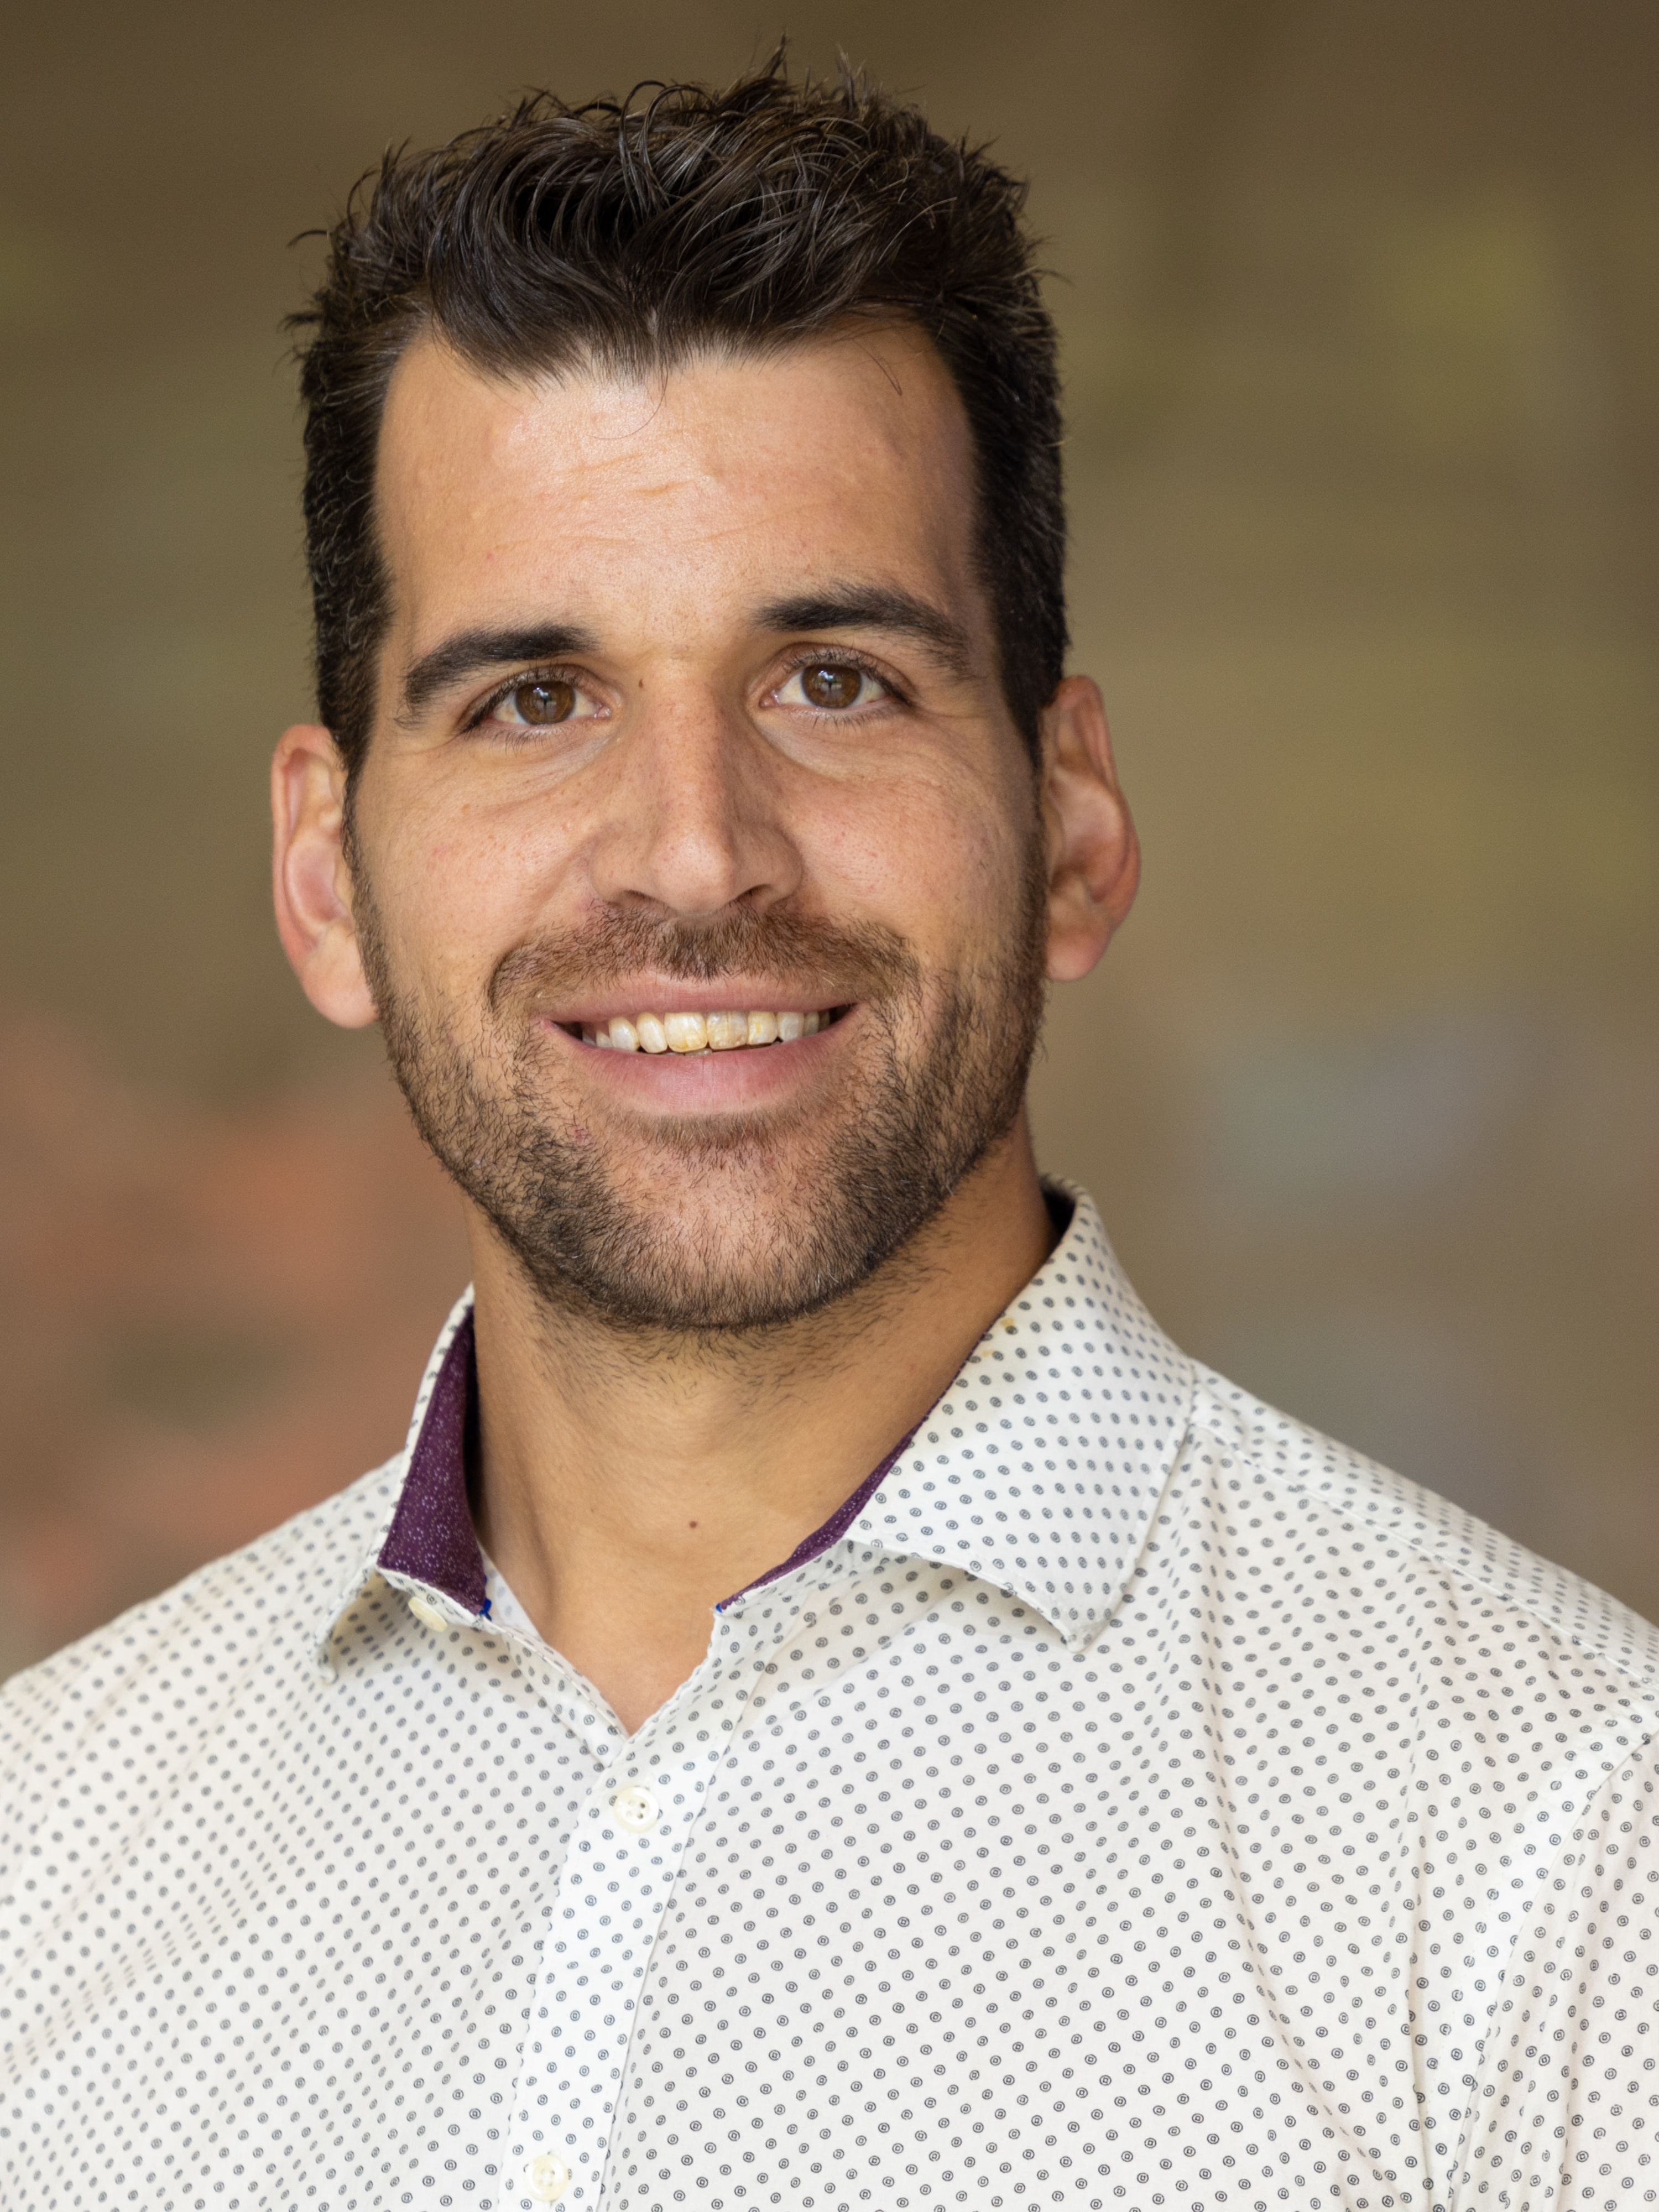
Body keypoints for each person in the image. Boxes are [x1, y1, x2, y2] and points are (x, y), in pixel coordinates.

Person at [3, 60, 1656, 2212]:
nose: (696, 851)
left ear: (1072, 821)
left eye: (838, 680)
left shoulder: (1568, 1855)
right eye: (533, 700)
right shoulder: (42, 1858)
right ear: (325, 879)